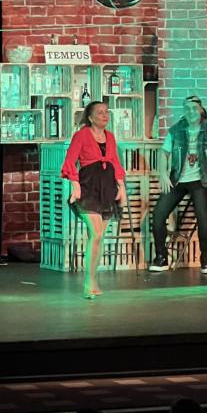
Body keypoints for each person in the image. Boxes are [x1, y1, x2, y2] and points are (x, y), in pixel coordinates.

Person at [150, 95, 207, 275]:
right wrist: (163, 173)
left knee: (202, 217)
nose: (190, 111)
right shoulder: (177, 129)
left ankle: (205, 261)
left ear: (200, 110)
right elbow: (164, 152)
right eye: (187, 108)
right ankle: (161, 258)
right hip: (178, 179)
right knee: (158, 214)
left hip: (202, 180)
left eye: (194, 108)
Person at [61, 101, 127, 299]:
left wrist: (121, 187)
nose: (105, 115)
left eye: (106, 112)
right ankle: (88, 281)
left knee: (99, 236)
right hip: (88, 187)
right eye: (100, 112)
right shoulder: (81, 135)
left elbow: (115, 163)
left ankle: (93, 279)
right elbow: (70, 161)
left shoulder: (110, 137)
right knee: (96, 234)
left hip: (107, 188)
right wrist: (75, 185)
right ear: (90, 117)